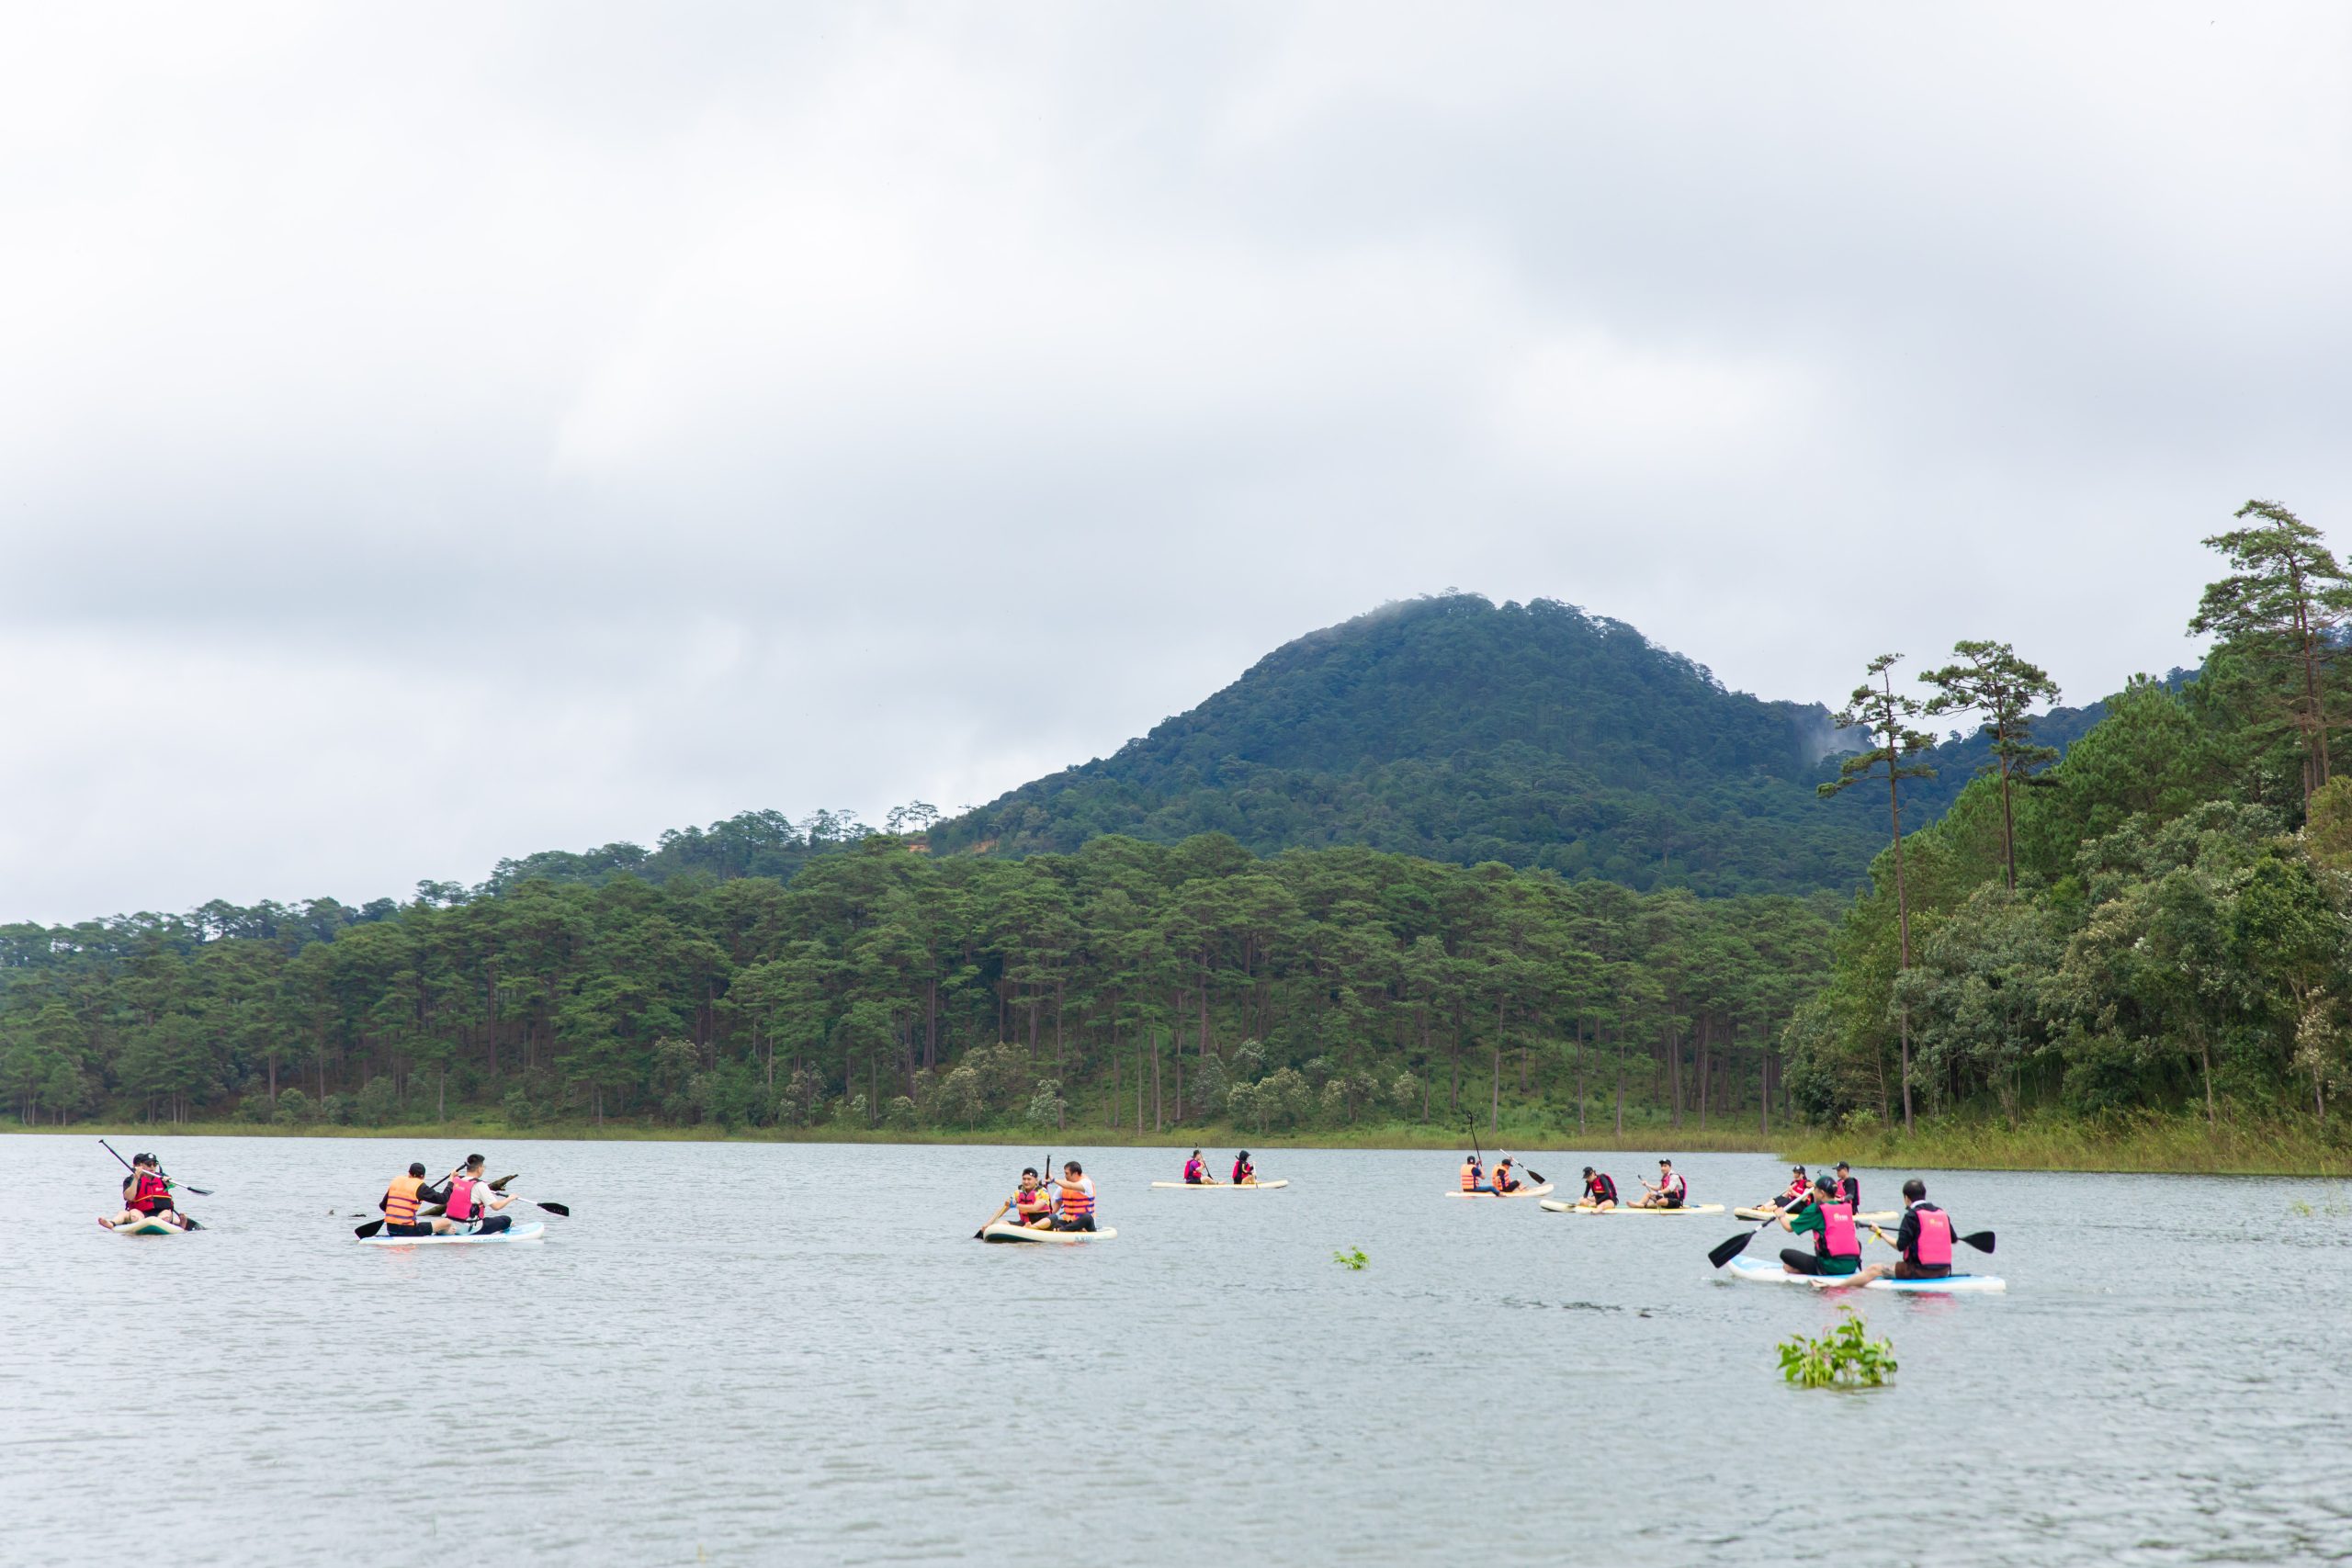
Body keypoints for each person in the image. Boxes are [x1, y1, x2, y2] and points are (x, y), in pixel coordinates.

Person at [1856, 1179, 1955, 1283]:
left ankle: (1843, 1285)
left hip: (1919, 1271)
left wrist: (1880, 1232)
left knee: (1874, 1269)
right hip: (1943, 1271)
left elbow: (1900, 1246)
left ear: (1906, 1198)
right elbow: (1953, 1239)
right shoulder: (1942, 1213)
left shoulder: (1911, 1216)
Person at [1776, 1176, 1862, 1278]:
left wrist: (1781, 1216)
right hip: (1852, 1266)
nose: (1814, 1193)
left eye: (1815, 1190)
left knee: (1785, 1255)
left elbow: (1789, 1227)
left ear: (1821, 1193)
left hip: (1830, 1267)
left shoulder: (1816, 1209)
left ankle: (1814, 1272)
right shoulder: (1844, 1207)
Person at [101, 1152, 192, 1231]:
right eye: (149, 1164)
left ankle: (180, 1224)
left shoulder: (161, 1177)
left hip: (160, 1212)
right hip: (140, 1212)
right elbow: (129, 1197)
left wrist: (168, 1182)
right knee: (131, 1214)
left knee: (167, 1214)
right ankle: (112, 1223)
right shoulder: (130, 1179)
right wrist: (136, 1178)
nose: (152, 1166)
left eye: (154, 1164)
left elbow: (172, 1185)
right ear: (141, 1165)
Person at [436, 1155, 515, 1235]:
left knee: (488, 1220)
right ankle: (506, 1227)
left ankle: (444, 1230)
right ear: (479, 1168)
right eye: (483, 1166)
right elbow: (496, 1206)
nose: (483, 1169)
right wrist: (510, 1198)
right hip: (469, 1228)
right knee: (506, 1220)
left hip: (450, 1224)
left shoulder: (455, 1180)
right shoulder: (480, 1185)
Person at [379, 1161, 445, 1239]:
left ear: (409, 1173)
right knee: (446, 1223)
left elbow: (382, 1206)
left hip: (391, 1230)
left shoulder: (397, 1181)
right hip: (408, 1231)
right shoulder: (420, 1186)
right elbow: (443, 1199)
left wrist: (397, 1215)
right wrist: (451, 1182)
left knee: (416, 1222)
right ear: (423, 1177)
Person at [982, 1168, 1056, 1230]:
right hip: (1024, 1223)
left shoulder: (1042, 1191)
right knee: (1001, 1223)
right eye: (1024, 1179)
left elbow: (1035, 1208)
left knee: (1054, 1217)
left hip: (1041, 1223)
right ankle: (1025, 1228)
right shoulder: (1018, 1192)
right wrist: (988, 1223)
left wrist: (1014, 1205)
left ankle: (1032, 1227)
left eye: (1029, 1179)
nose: (1026, 1182)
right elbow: (1004, 1208)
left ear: (1036, 1180)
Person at [1050, 1160, 1097, 1232]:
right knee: (1052, 1221)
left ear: (1075, 1173)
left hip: (1086, 1223)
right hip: (1070, 1222)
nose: (1065, 1176)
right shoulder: (1063, 1184)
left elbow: (1071, 1186)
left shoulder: (1086, 1183)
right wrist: (1048, 1217)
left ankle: (1061, 1230)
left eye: (1067, 1173)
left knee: (1087, 1217)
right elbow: (1058, 1203)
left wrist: (1053, 1180)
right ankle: (1065, 1229)